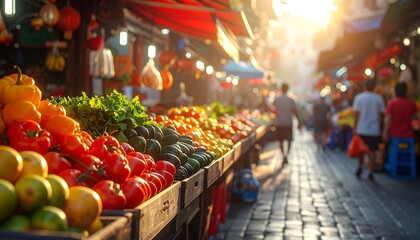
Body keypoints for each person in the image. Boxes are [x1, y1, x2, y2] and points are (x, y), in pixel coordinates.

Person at [353, 78, 385, 180]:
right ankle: (371, 171)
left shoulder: (359, 98)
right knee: (372, 151)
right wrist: (380, 125)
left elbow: (356, 115)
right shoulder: (379, 98)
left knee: (361, 150)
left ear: (364, 86)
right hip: (374, 129)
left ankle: (359, 166)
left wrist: (355, 127)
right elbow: (382, 115)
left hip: (362, 128)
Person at [272, 83, 302, 164]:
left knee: (280, 140)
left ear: (281, 89)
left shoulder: (276, 99)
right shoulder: (291, 100)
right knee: (289, 140)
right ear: (288, 89)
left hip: (279, 123)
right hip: (288, 123)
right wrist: (299, 122)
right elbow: (295, 112)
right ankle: (286, 155)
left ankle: (283, 155)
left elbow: (273, 110)